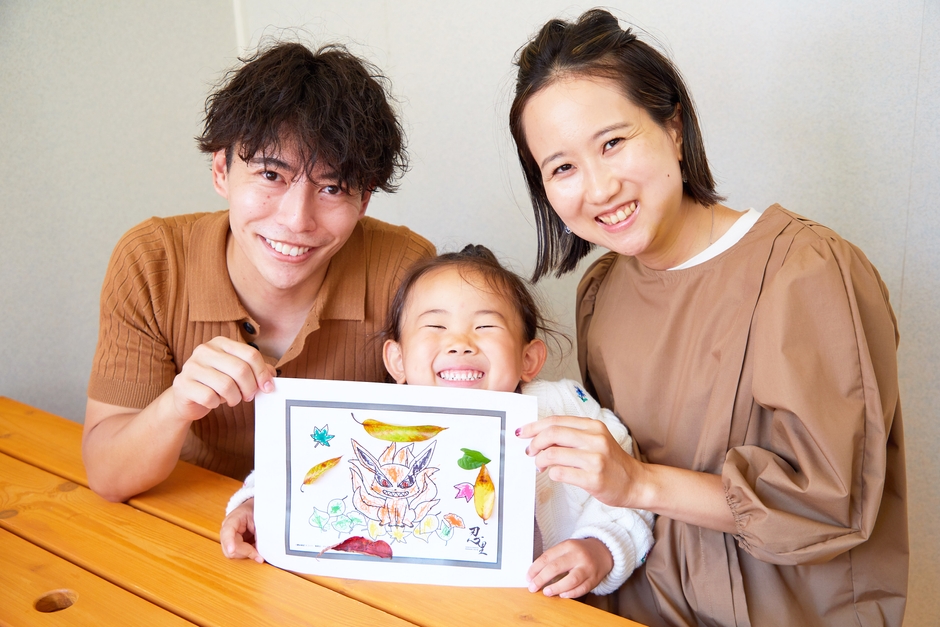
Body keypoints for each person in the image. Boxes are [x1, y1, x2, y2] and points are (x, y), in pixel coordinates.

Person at [509, 9, 907, 627]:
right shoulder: (601, 292)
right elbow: (610, 498)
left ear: (673, 128)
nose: (598, 188)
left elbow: (831, 504)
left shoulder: (805, 270)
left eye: (612, 143)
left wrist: (638, 482)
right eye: (561, 167)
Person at [83, 42, 435, 503]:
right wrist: (177, 405)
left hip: (339, 518)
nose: (296, 220)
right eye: (271, 175)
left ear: (364, 200)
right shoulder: (152, 262)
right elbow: (108, 474)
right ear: (221, 171)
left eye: (332, 187)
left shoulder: (406, 268)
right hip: (184, 516)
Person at [221, 244, 655, 600]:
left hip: (528, 608)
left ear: (529, 358)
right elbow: (295, 469)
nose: (460, 344)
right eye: (435, 327)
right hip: (390, 600)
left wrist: (600, 548)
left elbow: (628, 488)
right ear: (397, 360)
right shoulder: (376, 418)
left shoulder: (562, 410)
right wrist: (255, 506)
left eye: (485, 327)